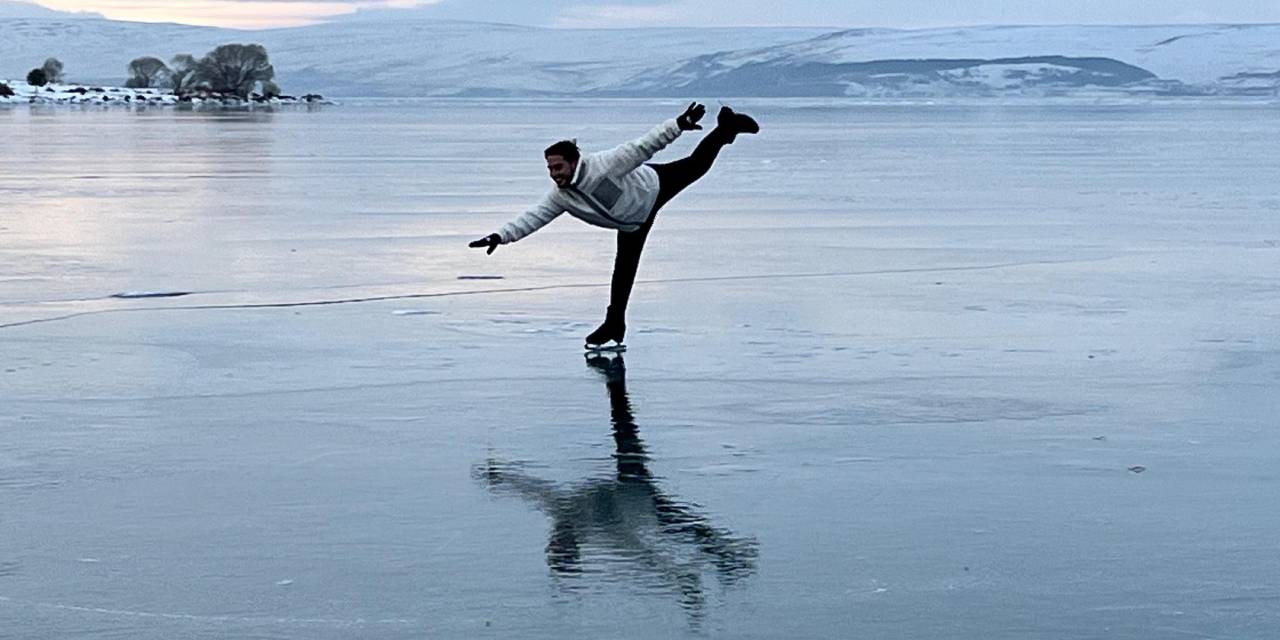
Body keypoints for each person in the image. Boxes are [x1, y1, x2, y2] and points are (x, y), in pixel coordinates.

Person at [468, 102, 760, 349]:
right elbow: (533, 217)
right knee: (623, 270)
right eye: (549, 169)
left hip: (653, 188)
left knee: (696, 165)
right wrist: (500, 236)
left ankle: (726, 128)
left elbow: (643, 146)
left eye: (557, 167)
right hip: (633, 224)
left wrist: (679, 124)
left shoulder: (603, 165)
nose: (553, 174)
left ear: (573, 162)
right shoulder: (561, 197)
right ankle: (614, 325)